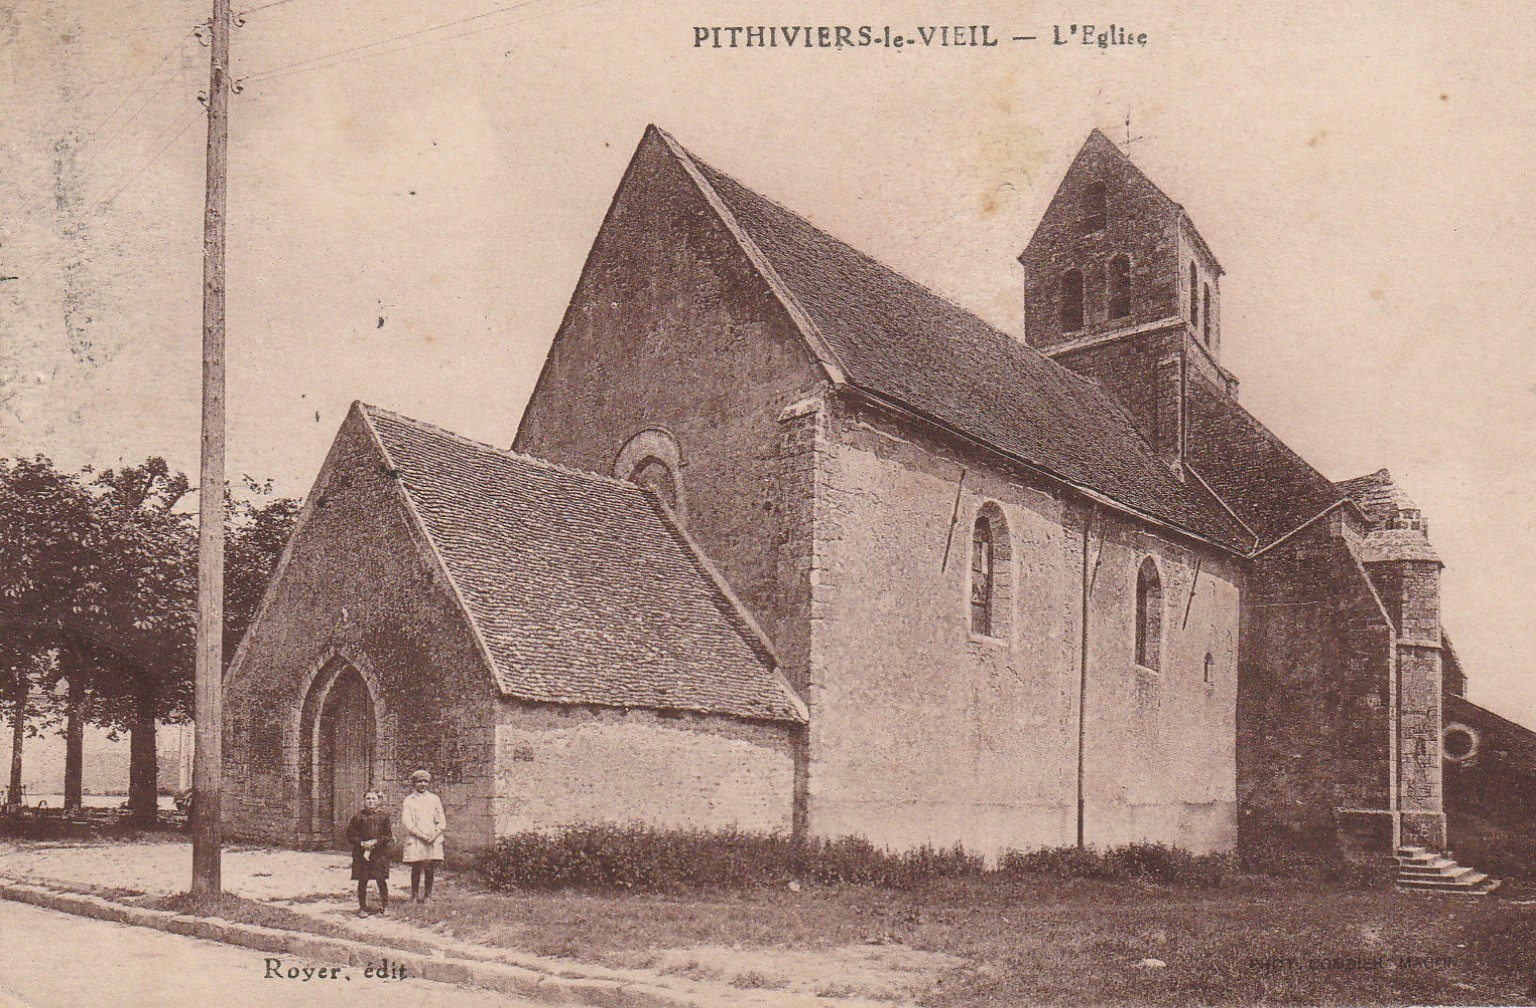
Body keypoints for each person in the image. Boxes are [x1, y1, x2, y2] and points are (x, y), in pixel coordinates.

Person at [400, 769, 447, 902]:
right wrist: (421, 835)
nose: (422, 784)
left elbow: (442, 819)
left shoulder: (434, 799)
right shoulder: (409, 800)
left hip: (433, 838)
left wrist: (436, 833)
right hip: (417, 838)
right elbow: (407, 822)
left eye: (425, 781)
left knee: (430, 867)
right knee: (416, 866)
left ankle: (428, 895)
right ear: (414, 783)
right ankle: (414, 895)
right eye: (419, 781)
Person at [345, 789, 393, 917]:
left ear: (378, 801)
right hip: (362, 854)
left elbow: (388, 835)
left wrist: (375, 842)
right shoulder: (358, 817)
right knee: (363, 880)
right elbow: (350, 835)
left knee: (381, 879)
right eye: (368, 799)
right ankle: (362, 908)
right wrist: (362, 843)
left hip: (378, 853)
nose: (371, 801)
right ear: (364, 801)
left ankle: (385, 906)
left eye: (373, 799)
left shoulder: (383, 817)